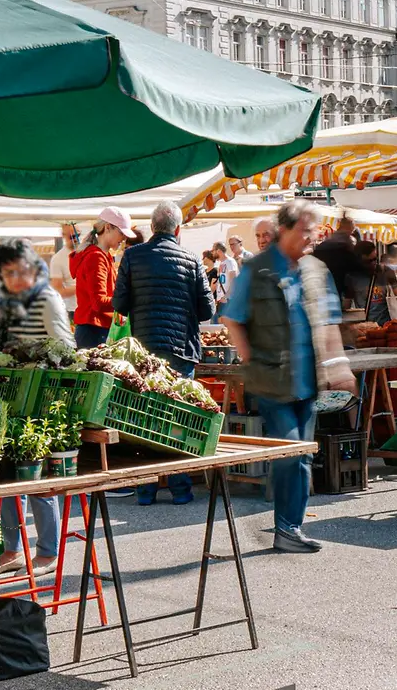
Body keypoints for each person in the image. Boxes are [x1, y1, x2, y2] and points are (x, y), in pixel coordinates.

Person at [221, 200, 355, 554]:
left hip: (307, 380)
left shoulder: (315, 269)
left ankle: (291, 527)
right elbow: (232, 318)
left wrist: (338, 365)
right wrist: (252, 359)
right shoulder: (257, 268)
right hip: (272, 381)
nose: (312, 237)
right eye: (305, 230)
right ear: (286, 230)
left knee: (304, 455)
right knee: (290, 453)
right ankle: (286, 528)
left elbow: (328, 322)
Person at [112, 201, 211, 505]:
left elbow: (119, 304)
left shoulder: (131, 256)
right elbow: (208, 310)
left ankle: (145, 490)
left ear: (152, 227)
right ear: (178, 229)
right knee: (179, 417)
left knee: (145, 418)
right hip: (181, 348)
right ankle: (180, 489)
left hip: (144, 351)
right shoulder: (192, 259)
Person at [0, 238, 73, 575]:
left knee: (36, 475)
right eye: (7, 273)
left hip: (41, 398)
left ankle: (48, 551)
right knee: (8, 476)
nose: (14, 279)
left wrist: (37, 357)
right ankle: (13, 548)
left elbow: (66, 349)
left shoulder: (47, 299)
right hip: (9, 398)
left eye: (18, 271)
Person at [71, 208, 134, 349]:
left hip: (95, 329)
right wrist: (128, 300)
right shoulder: (96, 257)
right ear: (108, 227)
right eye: (122, 232)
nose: (124, 238)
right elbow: (98, 302)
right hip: (94, 330)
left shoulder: (101, 255)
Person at [48, 222, 81, 318]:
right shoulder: (58, 259)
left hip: (91, 308)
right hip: (73, 310)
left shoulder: (87, 252)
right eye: (72, 236)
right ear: (63, 236)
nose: (75, 239)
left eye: (78, 235)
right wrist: (82, 286)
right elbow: (58, 291)